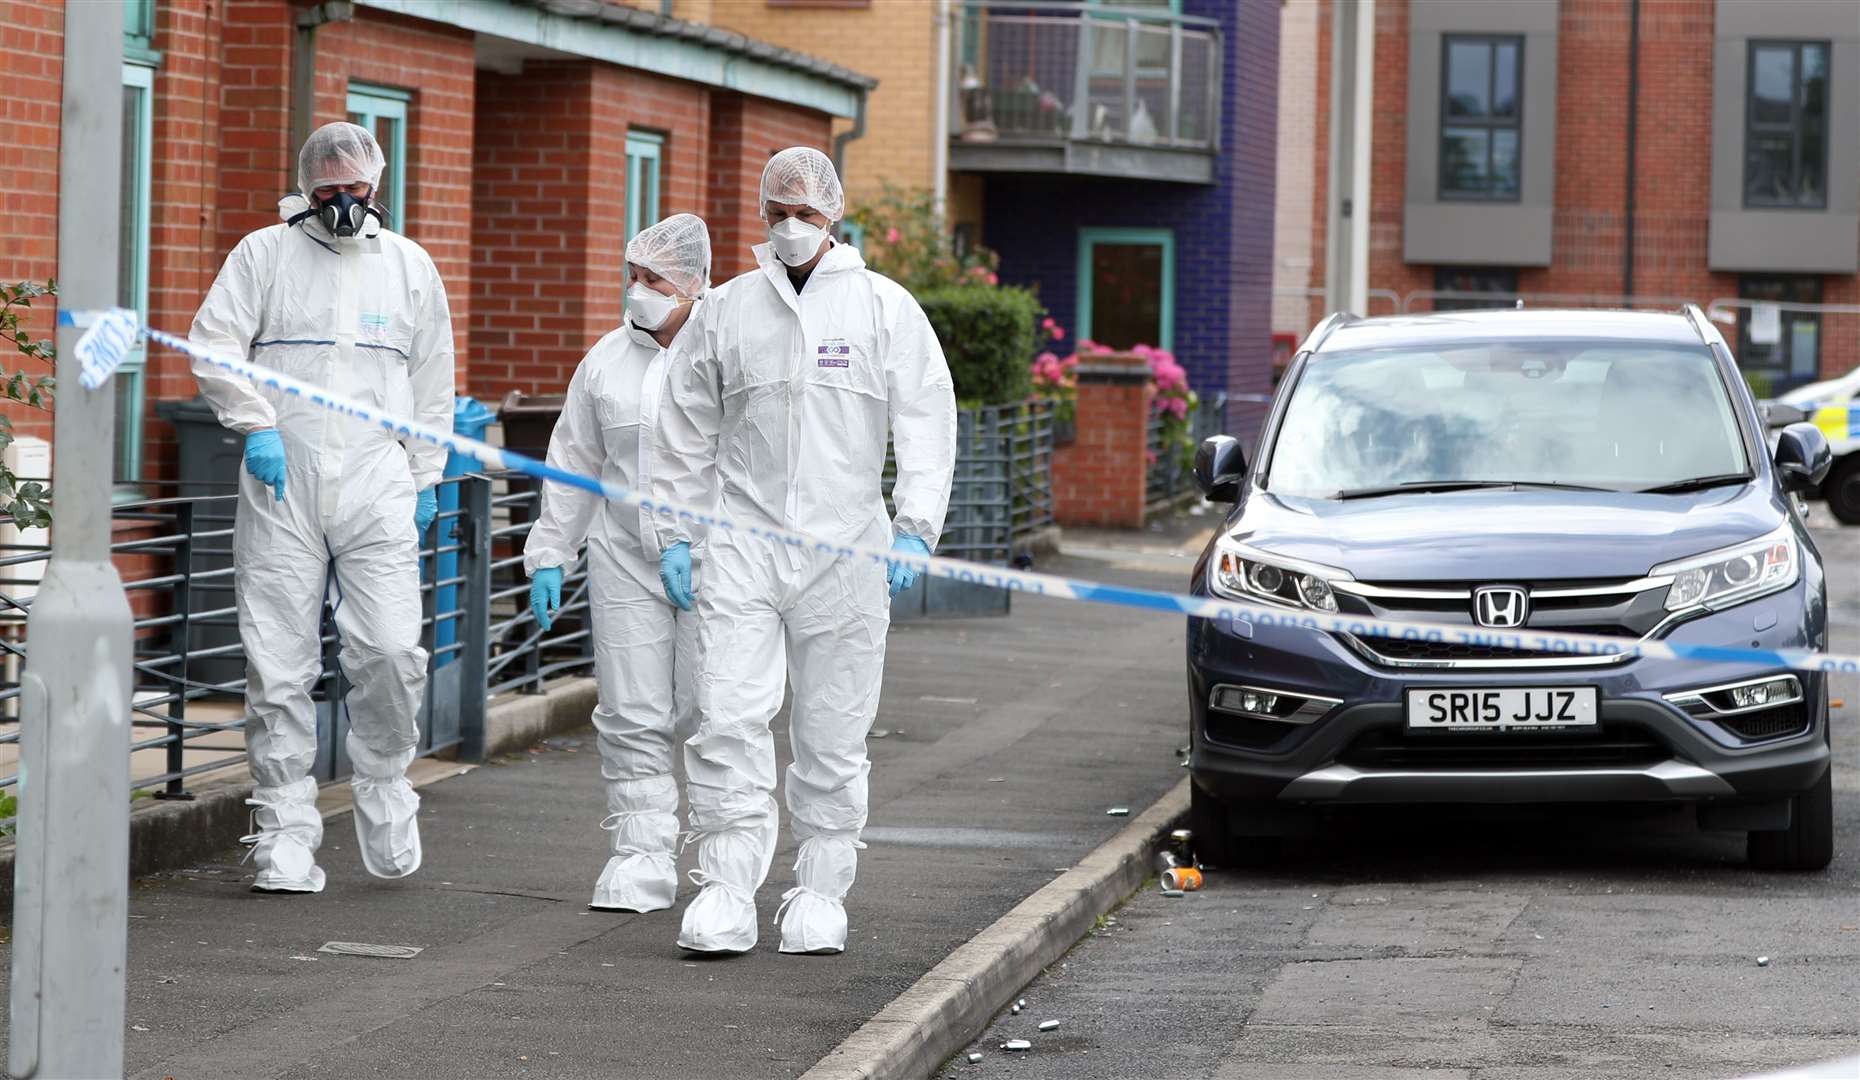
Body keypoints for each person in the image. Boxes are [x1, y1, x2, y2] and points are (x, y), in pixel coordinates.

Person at [654, 147, 957, 954]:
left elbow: (925, 417)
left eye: (806, 214)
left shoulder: (882, 308)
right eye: (777, 213)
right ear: (760, 215)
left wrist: (916, 523)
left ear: (835, 216)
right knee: (725, 715)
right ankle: (724, 890)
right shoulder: (726, 310)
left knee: (832, 726)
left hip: (846, 551)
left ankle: (820, 892)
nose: (791, 229)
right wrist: (676, 533)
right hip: (742, 546)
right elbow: (683, 429)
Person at [188, 122, 454, 893]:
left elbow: (434, 378)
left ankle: (384, 784)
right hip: (283, 480)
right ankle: (283, 830)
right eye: (328, 188)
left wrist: (427, 474)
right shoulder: (264, 255)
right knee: (278, 661)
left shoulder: (408, 267)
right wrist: (255, 424)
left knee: (391, 651)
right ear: (308, 188)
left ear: (377, 187)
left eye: (356, 188)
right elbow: (214, 344)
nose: (343, 201)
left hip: (378, 480)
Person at [523, 214, 713, 912]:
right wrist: (550, 552)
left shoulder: (719, 353)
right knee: (632, 710)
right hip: (624, 557)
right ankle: (640, 857)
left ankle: (723, 860)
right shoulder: (605, 360)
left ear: (693, 284)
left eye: (655, 279)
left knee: (712, 711)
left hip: (713, 559)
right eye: (633, 277)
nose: (639, 291)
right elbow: (574, 460)